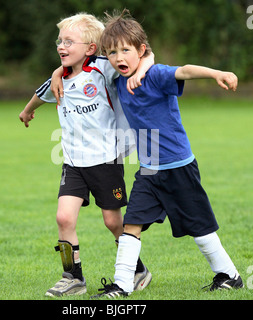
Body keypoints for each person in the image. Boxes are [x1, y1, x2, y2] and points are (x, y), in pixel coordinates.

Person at [92, 9, 244, 298]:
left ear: (141, 50)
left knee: (200, 228)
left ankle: (229, 275)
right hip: (149, 170)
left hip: (178, 167)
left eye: (126, 50)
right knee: (131, 223)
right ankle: (121, 286)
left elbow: (184, 70)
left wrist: (217, 73)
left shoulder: (157, 75)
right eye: (112, 52)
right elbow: (84, 62)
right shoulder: (118, 79)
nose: (119, 57)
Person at [19, 12, 154, 297]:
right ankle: (73, 278)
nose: (61, 46)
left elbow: (143, 57)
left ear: (91, 49)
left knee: (112, 222)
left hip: (106, 159)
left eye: (69, 41)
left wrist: (142, 69)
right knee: (64, 218)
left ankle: (137, 269)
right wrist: (28, 110)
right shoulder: (60, 77)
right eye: (59, 40)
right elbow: (41, 94)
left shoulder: (104, 68)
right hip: (72, 161)